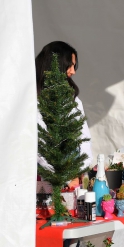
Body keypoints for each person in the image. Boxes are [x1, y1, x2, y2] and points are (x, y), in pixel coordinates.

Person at [35, 41, 93, 171]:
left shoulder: (73, 99)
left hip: (74, 168)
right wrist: (62, 176)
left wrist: (82, 167)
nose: (73, 71)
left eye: (74, 66)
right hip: (47, 172)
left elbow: (84, 135)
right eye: (69, 66)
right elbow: (39, 143)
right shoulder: (35, 100)